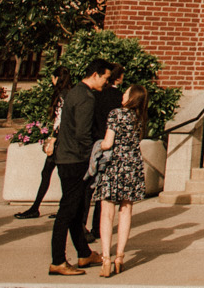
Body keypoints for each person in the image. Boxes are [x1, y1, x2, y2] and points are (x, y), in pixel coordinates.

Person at [48, 60, 108, 276]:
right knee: (67, 211)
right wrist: (90, 160)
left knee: (73, 210)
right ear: (95, 74)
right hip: (76, 160)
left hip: (65, 158)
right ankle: (57, 260)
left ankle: (84, 252)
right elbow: (83, 134)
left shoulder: (73, 93)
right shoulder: (86, 97)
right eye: (105, 77)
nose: (106, 81)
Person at [89, 82, 149, 276]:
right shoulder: (139, 117)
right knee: (126, 211)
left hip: (114, 164)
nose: (122, 95)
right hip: (132, 165)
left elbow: (108, 142)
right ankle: (120, 257)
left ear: (132, 97)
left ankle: (106, 258)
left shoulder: (116, 114)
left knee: (107, 212)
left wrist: (97, 147)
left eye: (126, 92)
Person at [12, 68, 69, 220]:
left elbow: (60, 120)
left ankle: (38, 208)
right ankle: (44, 207)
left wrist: (53, 138)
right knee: (53, 173)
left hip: (60, 140)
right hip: (63, 139)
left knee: (51, 173)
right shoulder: (66, 94)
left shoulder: (62, 96)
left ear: (57, 78)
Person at [86, 64, 124, 241]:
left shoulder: (96, 94)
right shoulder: (119, 97)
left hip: (95, 141)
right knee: (103, 189)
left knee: (88, 187)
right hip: (110, 143)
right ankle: (96, 227)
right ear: (118, 78)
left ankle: (81, 225)